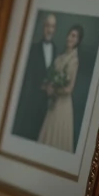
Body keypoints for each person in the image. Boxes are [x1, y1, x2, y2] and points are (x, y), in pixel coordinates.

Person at [38, 24, 83, 152]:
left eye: (74, 36)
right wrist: (47, 85)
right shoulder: (60, 57)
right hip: (53, 102)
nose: (70, 38)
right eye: (69, 35)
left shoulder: (74, 60)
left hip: (62, 105)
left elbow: (69, 89)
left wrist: (55, 90)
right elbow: (51, 77)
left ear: (77, 41)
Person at [12, 13, 58, 141]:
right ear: (43, 27)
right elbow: (27, 76)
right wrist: (41, 86)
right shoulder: (32, 48)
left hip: (44, 103)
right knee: (25, 132)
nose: (50, 29)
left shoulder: (54, 48)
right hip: (30, 100)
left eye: (53, 26)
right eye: (48, 26)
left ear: (55, 29)